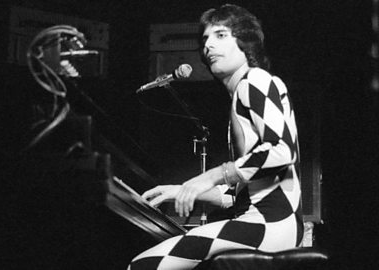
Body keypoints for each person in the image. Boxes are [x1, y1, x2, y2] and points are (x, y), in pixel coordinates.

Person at [128, 4, 303, 269]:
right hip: (267, 222)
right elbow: (238, 194)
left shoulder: (255, 80)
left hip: (270, 223)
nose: (208, 45)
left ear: (246, 43)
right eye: (205, 39)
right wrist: (184, 190)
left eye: (221, 35)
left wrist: (209, 176)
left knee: (144, 265)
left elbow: (282, 151)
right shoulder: (241, 95)